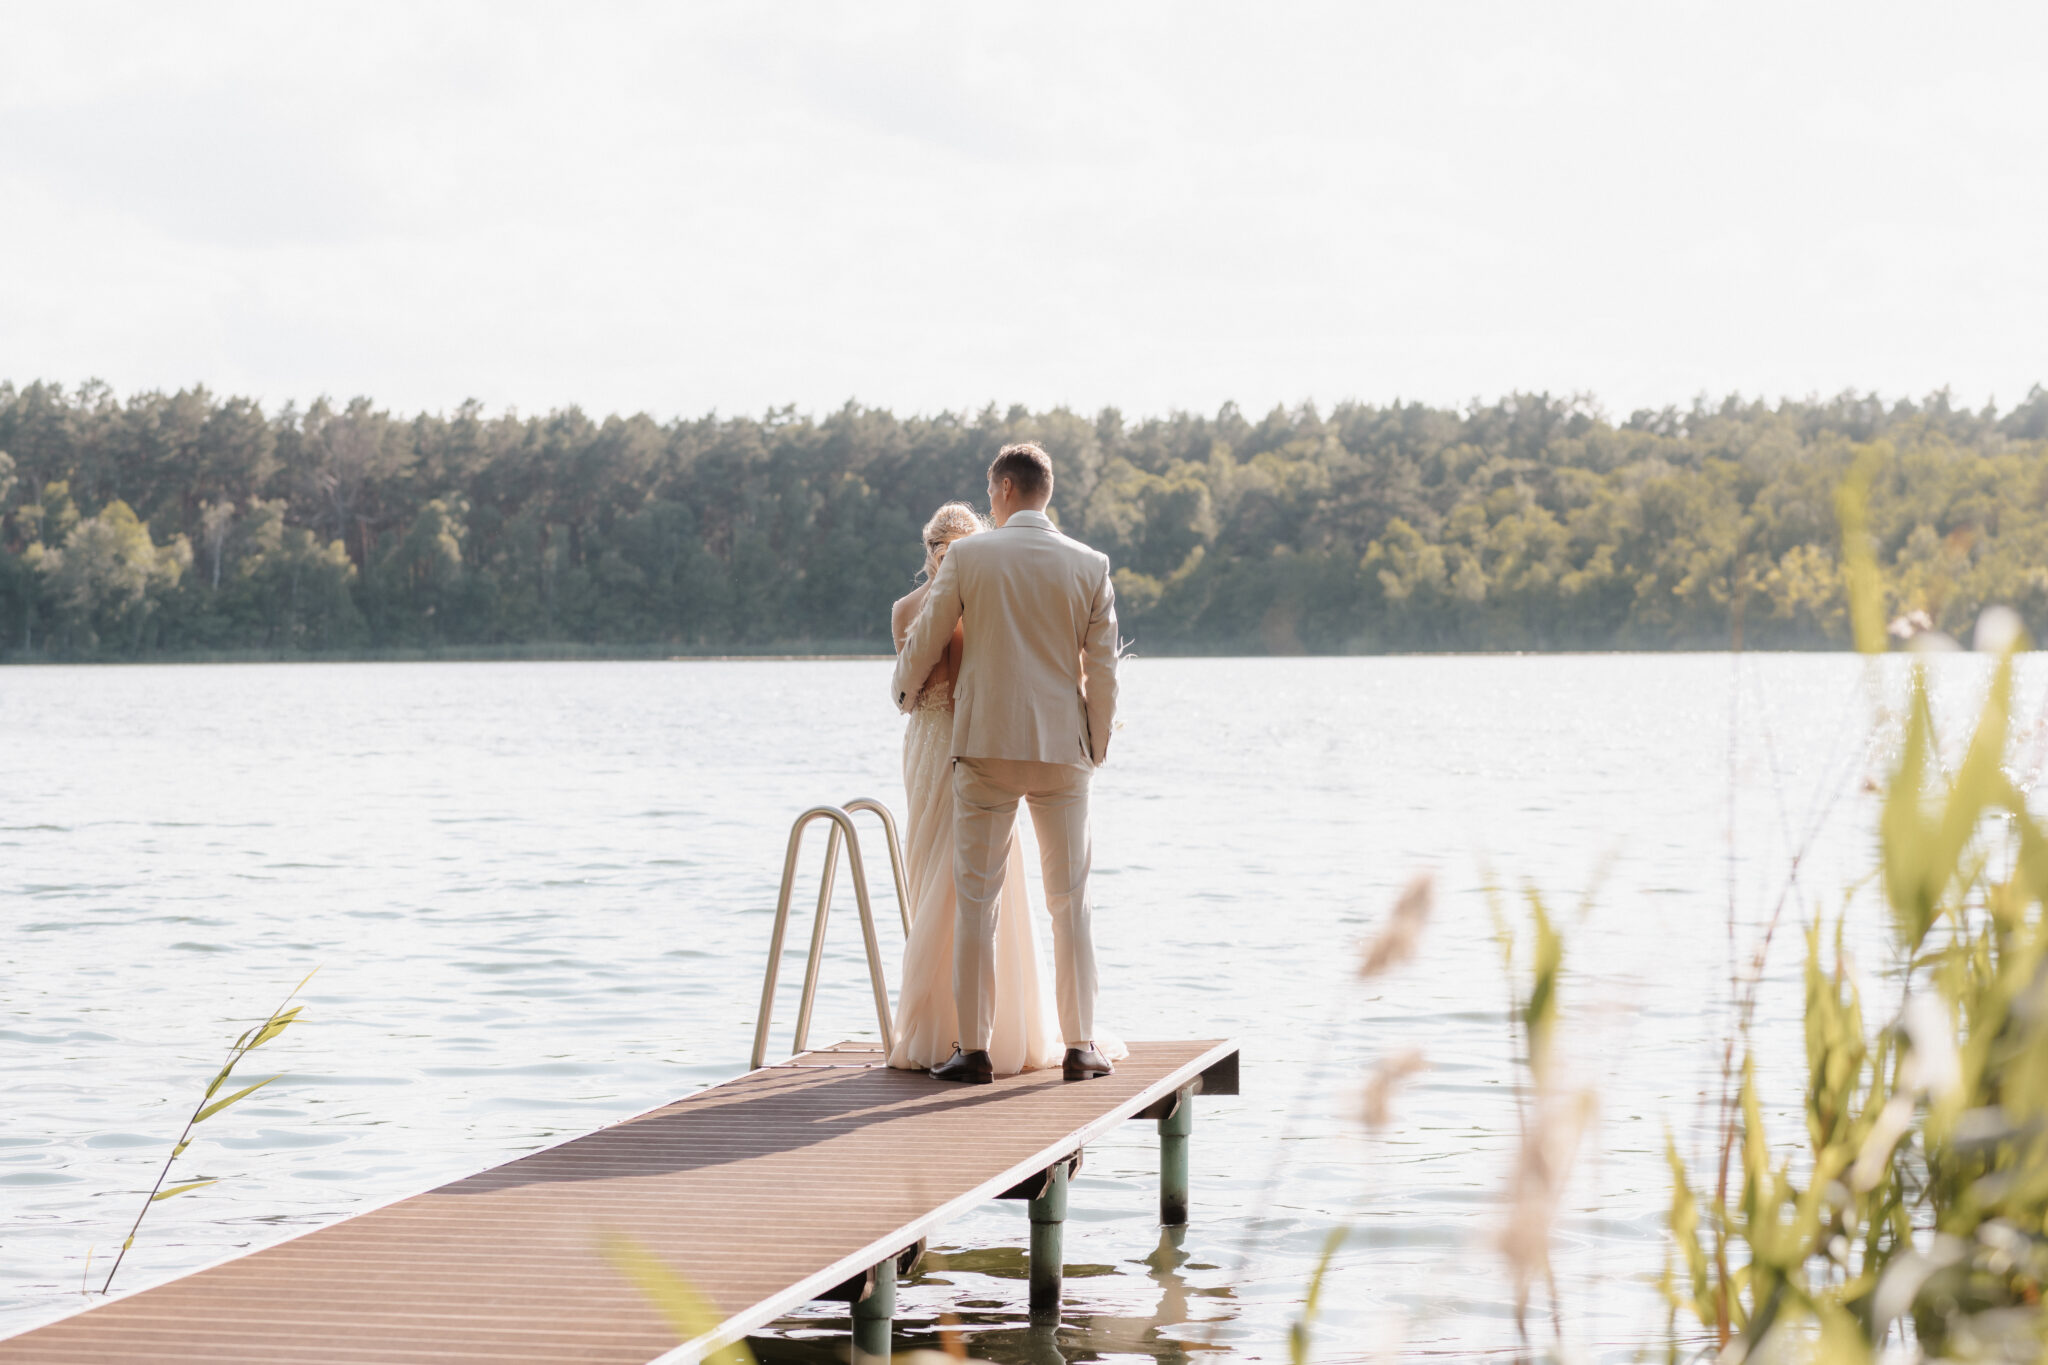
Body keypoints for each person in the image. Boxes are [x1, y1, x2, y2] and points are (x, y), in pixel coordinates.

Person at [891, 442, 1123, 1085]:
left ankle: (973, 1050)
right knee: (1070, 902)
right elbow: (1101, 668)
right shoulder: (1090, 564)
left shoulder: (968, 555)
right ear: (1044, 491)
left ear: (1001, 490)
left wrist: (903, 690)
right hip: (1062, 752)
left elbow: (928, 637)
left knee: (976, 901)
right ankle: (1080, 1046)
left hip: (985, 747)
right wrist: (1095, 744)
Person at [885, 502, 1064, 1077]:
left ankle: (938, 1028)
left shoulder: (905, 610)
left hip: (928, 745)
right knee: (989, 888)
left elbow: (909, 692)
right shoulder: (984, 607)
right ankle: (996, 1027)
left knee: (933, 872)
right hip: (979, 744)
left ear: (929, 549)